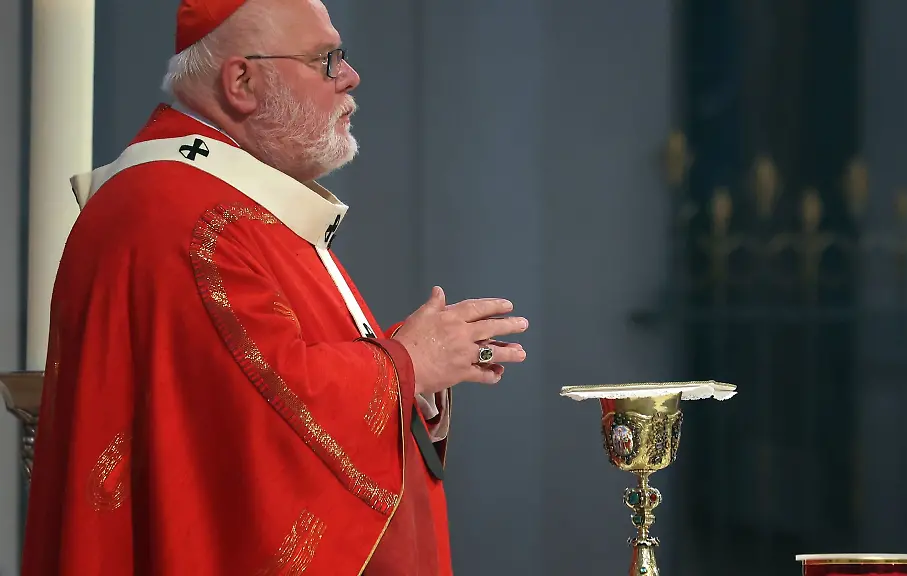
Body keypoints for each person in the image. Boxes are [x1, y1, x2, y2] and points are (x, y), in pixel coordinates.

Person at [19, 0, 528, 573]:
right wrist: (407, 363)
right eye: (324, 59)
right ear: (242, 80)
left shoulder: (224, 199)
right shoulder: (188, 221)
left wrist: (415, 371)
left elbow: (261, 379)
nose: (350, 76)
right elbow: (257, 430)